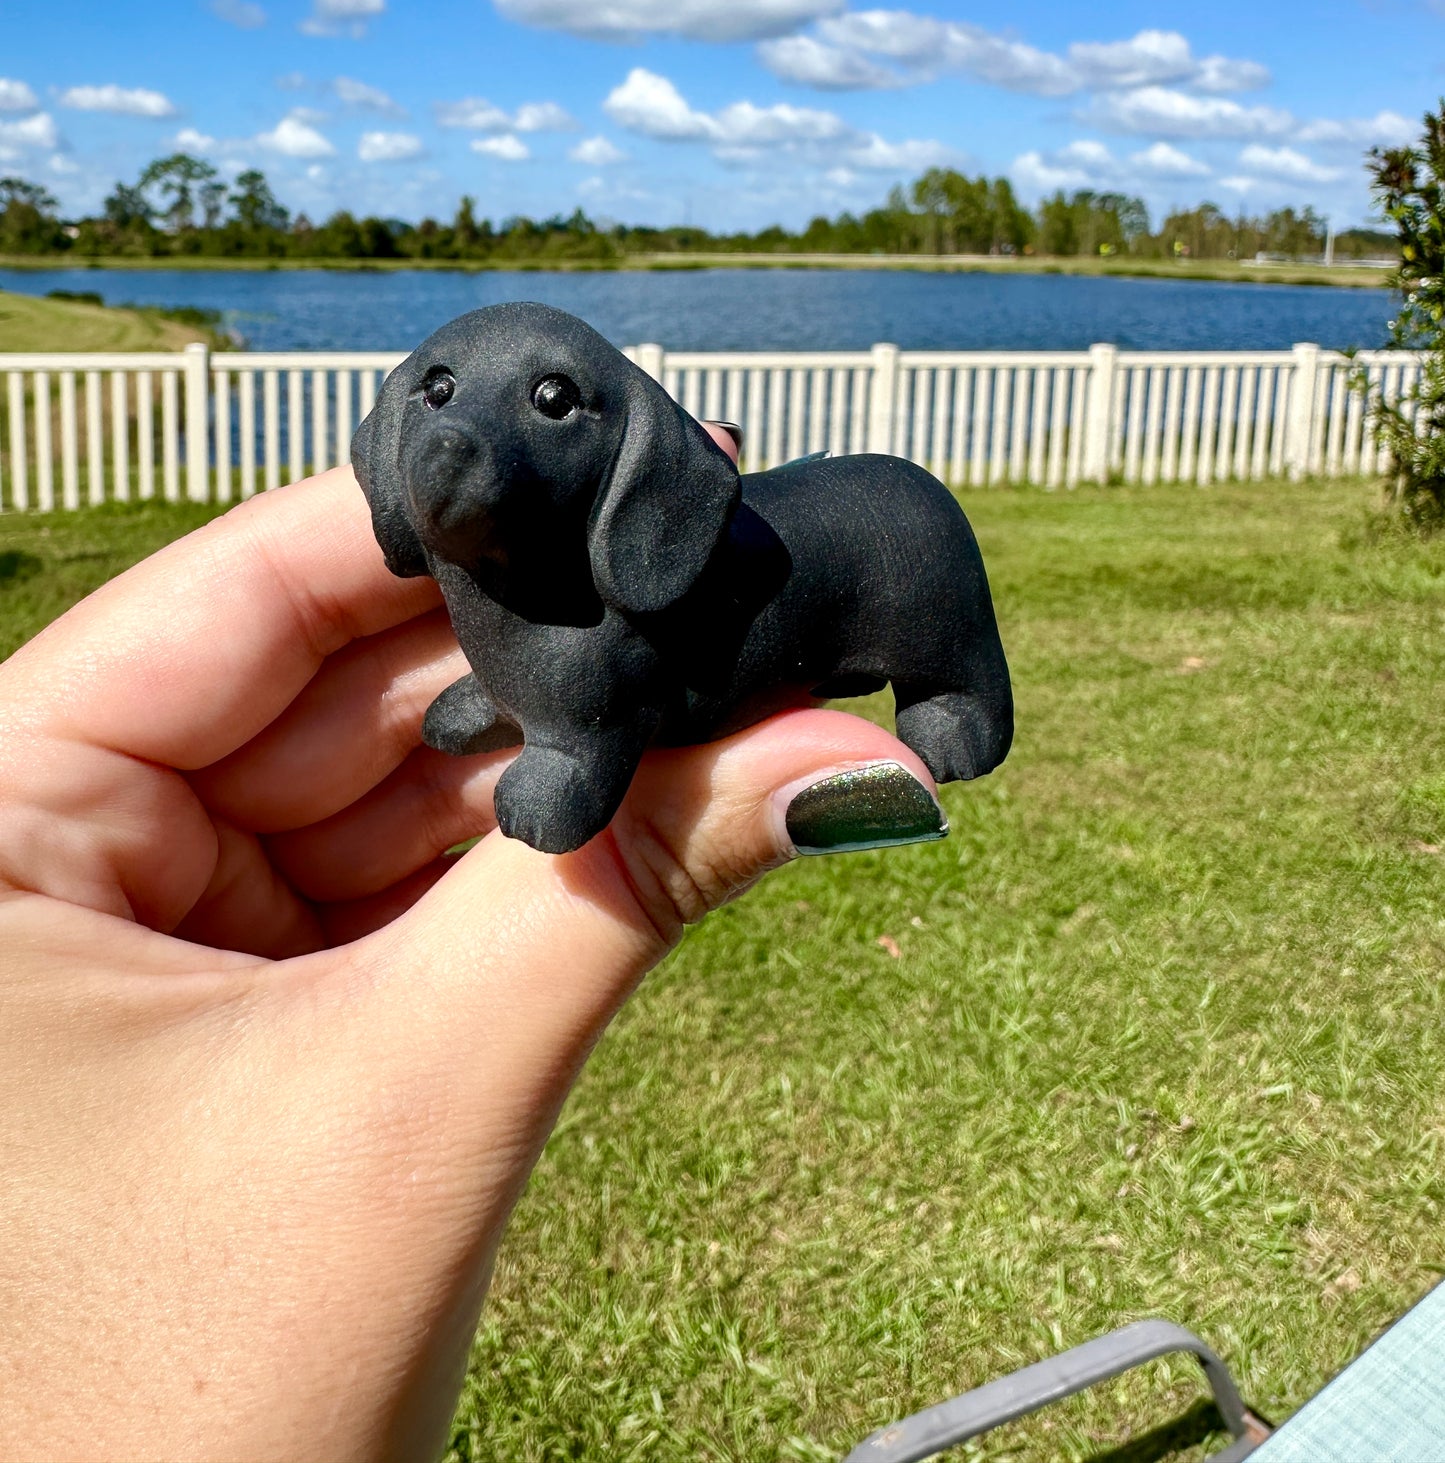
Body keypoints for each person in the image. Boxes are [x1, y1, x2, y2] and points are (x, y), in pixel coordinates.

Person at [0, 444, 942, 1463]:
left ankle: (952, 678)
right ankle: (532, 701)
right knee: (543, 666)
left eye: (549, 408)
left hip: (784, 606)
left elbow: (605, 666)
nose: (464, 439)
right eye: (437, 397)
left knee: (911, 619)